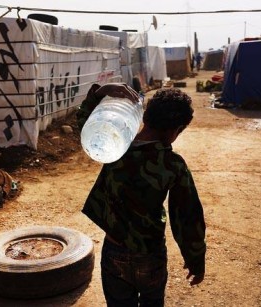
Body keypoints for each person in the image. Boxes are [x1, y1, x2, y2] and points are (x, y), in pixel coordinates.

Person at [77, 83, 206, 307]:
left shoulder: (116, 145)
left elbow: (86, 123)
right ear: (176, 130)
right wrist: (195, 259)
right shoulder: (173, 165)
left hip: (114, 250)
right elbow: (187, 217)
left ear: (145, 115)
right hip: (151, 255)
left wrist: (99, 92)